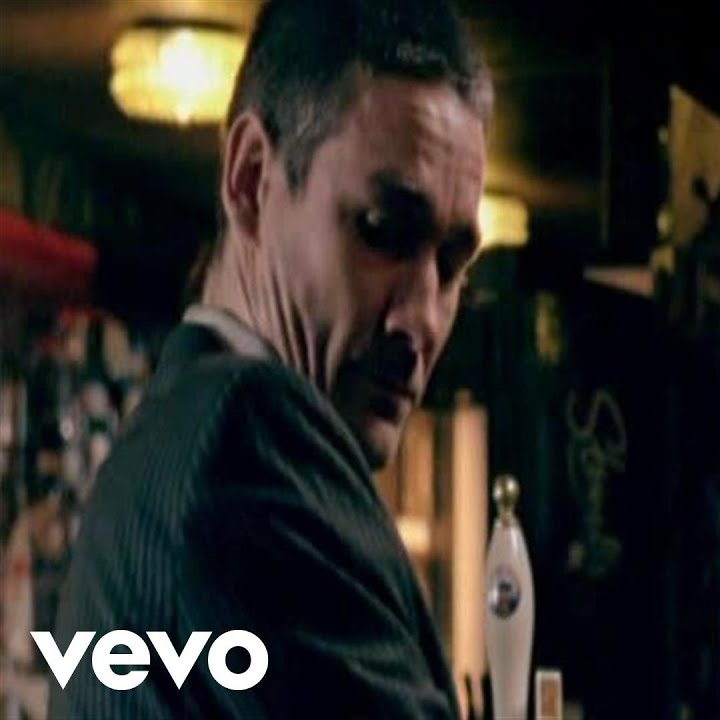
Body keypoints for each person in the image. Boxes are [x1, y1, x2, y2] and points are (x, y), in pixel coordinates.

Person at [50, 0, 491, 716]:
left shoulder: (179, 432)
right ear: (253, 180)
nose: (425, 316)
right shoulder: (245, 436)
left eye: (453, 264)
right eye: (383, 230)